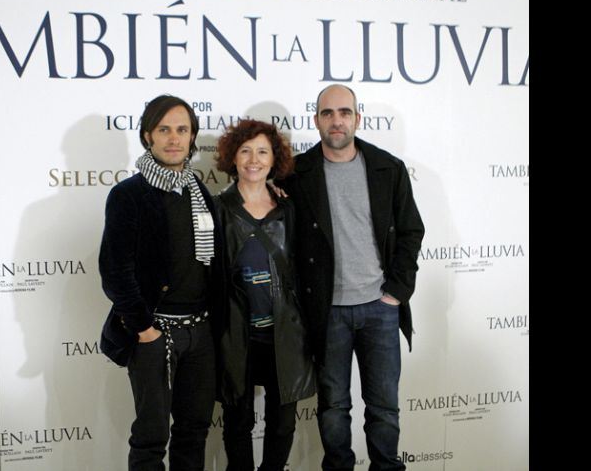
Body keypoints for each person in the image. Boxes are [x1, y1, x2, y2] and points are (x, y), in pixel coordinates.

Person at [276, 85, 425, 471]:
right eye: (328, 113)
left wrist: (396, 291)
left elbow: (411, 231)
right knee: (333, 408)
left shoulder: (387, 168)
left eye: (344, 112)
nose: (336, 120)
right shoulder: (297, 174)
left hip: (380, 308)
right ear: (317, 120)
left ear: (357, 118)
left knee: (384, 408)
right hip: (327, 313)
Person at [98, 94, 220, 471]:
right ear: (148, 135)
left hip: (200, 333)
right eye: (164, 129)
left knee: (193, 431)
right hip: (154, 332)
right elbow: (115, 272)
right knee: (152, 438)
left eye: (182, 130)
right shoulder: (128, 195)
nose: (173, 138)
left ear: (192, 137)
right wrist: (144, 329)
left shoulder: (199, 192)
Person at [213, 119, 316, 471]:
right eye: (245, 151)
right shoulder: (218, 209)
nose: (253, 159)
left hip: (284, 332)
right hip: (236, 331)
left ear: (274, 160)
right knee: (238, 421)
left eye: (262, 151)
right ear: (232, 158)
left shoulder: (289, 208)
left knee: (283, 420)